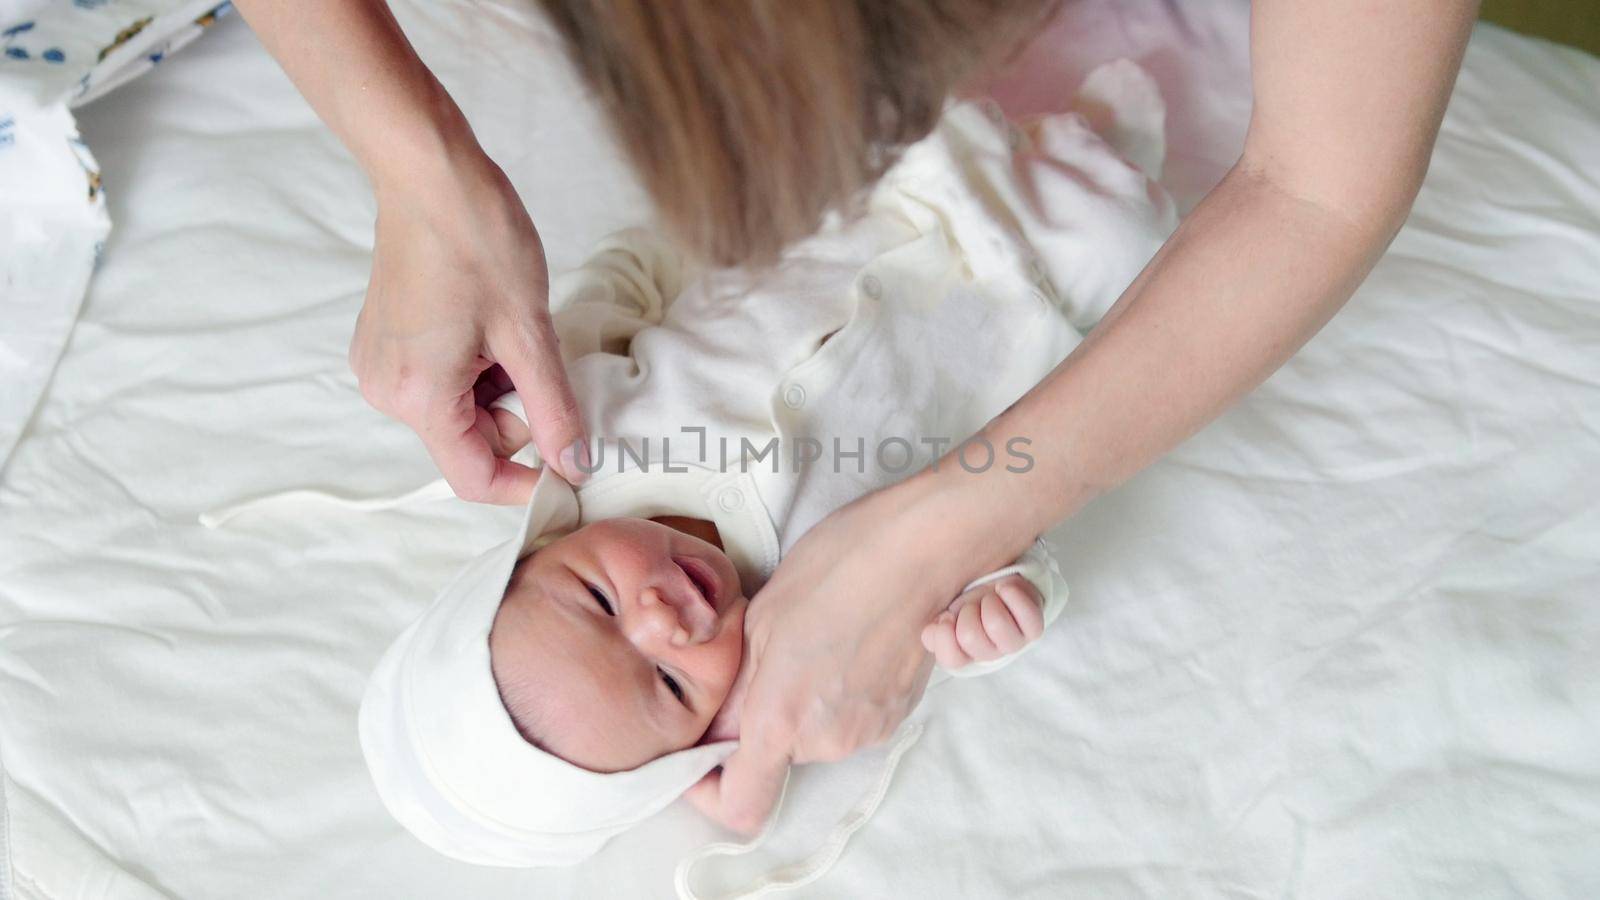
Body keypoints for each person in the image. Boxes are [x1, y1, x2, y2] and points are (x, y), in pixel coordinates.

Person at [236, 0, 1481, 832]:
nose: (665, 614)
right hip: (1058, 250)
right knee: (1123, 192)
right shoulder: (805, 618)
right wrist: (418, 173)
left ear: (527, 563)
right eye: (670, 685)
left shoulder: (593, 435)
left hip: (918, 171)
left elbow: (647, 280)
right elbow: (996, 556)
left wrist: (581, 319)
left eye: (595, 601)